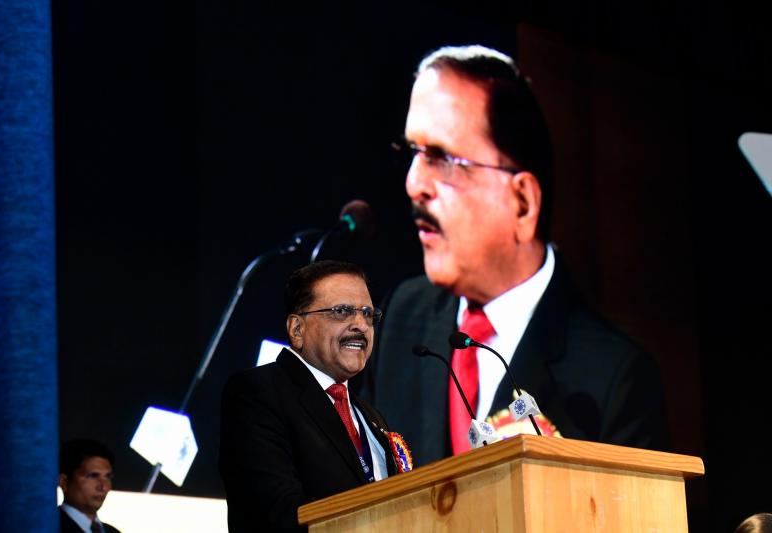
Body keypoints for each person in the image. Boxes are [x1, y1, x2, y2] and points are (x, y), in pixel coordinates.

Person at [361, 45, 670, 466]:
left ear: (523, 203)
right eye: (413, 153)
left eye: (443, 159)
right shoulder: (400, 318)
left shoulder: (615, 382)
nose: (414, 184)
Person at [219, 260, 411, 532]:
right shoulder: (258, 393)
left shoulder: (371, 417)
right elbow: (274, 513)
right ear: (297, 329)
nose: (361, 325)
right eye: (342, 311)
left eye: (368, 313)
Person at [58, 438, 121, 533]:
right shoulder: (46, 528)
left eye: (107, 477)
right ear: (64, 481)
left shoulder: (113, 532)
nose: (103, 487)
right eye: (93, 476)